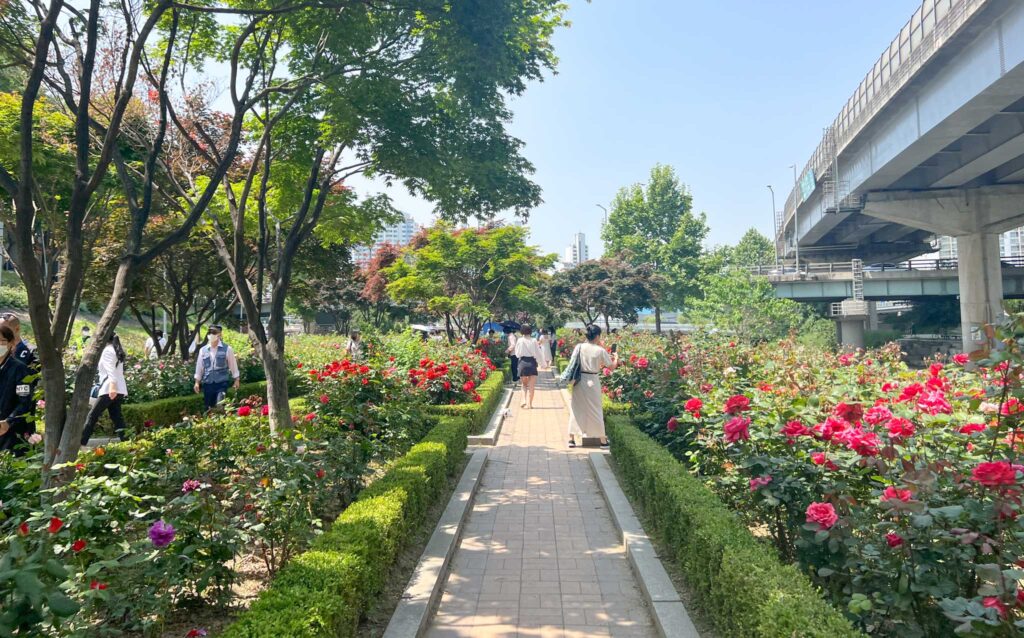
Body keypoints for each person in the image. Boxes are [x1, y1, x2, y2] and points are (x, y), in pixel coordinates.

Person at [560, 324, 618, 448]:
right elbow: (611, 367)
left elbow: (572, 363)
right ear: (597, 336)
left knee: (576, 408)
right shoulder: (600, 350)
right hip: (593, 379)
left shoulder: (579, 347)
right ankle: (602, 440)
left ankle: (571, 439)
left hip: (579, 379)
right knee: (595, 409)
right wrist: (616, 358)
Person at [81, 333, 129, 445]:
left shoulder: (107, 350)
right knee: (117, 418)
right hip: (119, 388)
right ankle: (128, 444)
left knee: (92, 416)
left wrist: (112, 386)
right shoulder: (116, 350)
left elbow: (110, 370)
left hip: (110, 388)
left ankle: (81, 443)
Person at [0, 324, 35, 456]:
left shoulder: (20, 369)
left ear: (10, 344)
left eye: (2, 341)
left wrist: (9, 422)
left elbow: (25, 401)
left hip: (12, 432)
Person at [193, 325, 240, 410]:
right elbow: (200, 366)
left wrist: (236, 379)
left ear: (219, 335)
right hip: (208, 383)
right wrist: (197, 382)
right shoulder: (203, 350)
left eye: (214, 333)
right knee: (208, 408)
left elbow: (233, 365)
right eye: (210, 333)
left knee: (220, 405)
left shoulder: (227, 349)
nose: (211, 335)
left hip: (221, 383)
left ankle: (222, 421)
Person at [513, 324, 544, 409]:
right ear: (530, 331)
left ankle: (523, 400)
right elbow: (539, 353)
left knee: (523, 385)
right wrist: (543, 364)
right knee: (531, 386)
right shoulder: (534, 340)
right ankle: (530, 404)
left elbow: (517, 354)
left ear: (521, 331)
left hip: (522, 363)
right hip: (532, 363)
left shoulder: (520, 340)